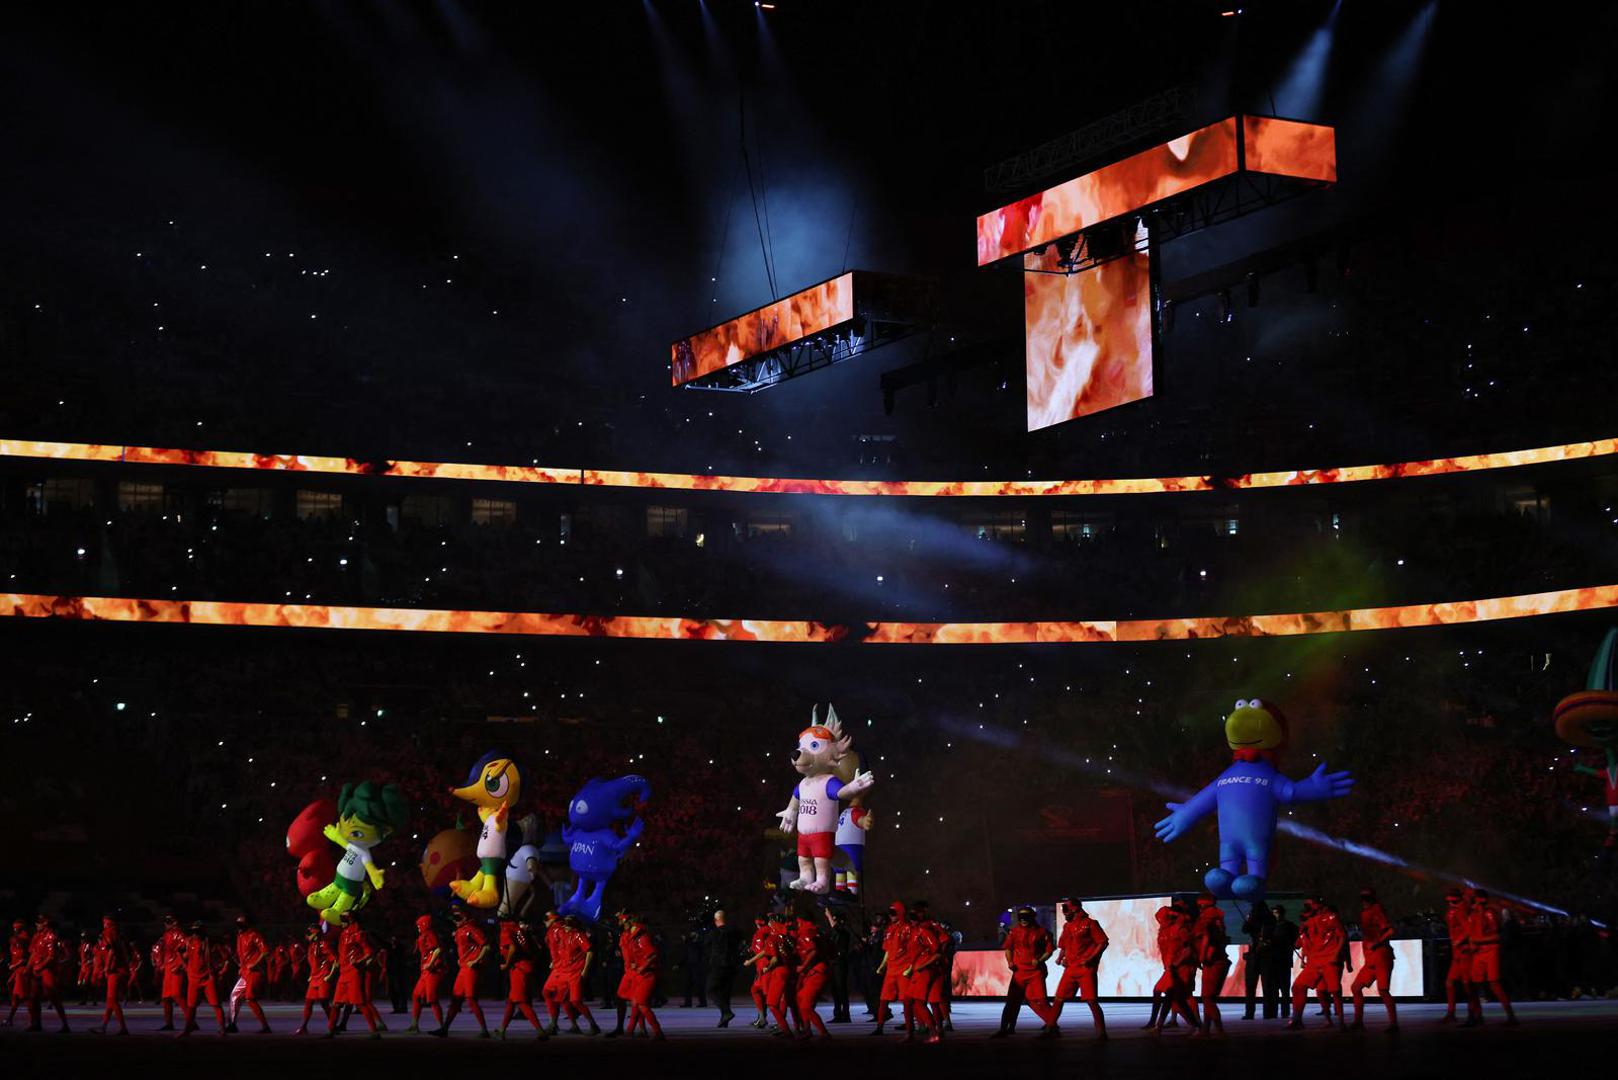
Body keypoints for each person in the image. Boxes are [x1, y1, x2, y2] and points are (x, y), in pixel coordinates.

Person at [991, 905, 1059, 1039]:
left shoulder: (1042, 932)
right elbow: (1008, 948)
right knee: (1011, 1002)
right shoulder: (1015, 932)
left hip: (1035, 972)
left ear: (1032, 918)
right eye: (1021, 918)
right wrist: (1010, 962)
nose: (1023, 920)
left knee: (1040, 1001)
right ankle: (1004, 1028)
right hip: (1019, 972)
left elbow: (1049, 950)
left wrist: (1040, 960)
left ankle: (1052, 1025)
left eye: (1026, 917)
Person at [1051, 897, 1108, 1038]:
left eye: (1066, 909)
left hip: (1085, 969)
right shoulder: (1067, 926)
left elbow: (1103, 942)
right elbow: (1064, 944)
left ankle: (1101, 1032)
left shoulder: (1090, 924)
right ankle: (1050, 1028)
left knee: (1091, 1001)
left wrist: (1090, 959)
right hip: (1070, 969)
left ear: (1075, 909)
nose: (1064, 913)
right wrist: (1060, 958)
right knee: (1058, 999)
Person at [431, 907, 491, 1037]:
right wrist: (461, 959)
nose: (456, 921)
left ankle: (484, 1030)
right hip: (464, 968)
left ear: (466, 917)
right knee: (456, 999)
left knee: (470, 998)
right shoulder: (460, 931)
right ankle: (445, 1028)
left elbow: (486, 946)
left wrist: (475, 960)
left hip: (470, 968)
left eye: (458, 918)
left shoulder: (471, 929)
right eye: (454, 918)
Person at [1466, 890, 1519, 1026]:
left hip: (1490, 951)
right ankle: (1475, 1016)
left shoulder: (1489, 913)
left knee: (1494, 983)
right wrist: (1473, 943)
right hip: (1479, 952)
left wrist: (1477, 940)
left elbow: (1496, 936)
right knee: (1473, 984)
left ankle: (1510, 1016)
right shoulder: (1473, 914)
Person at [1349, 888, 1398, 1031]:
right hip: (1371, 959)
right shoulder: (1366, 912)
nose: (1364, 901)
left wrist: (1376, 943)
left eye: (1366, 898)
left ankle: (1394, 1024)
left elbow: (1390, 930)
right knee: (1356, 987)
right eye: (1363, 898)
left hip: (1381, 956)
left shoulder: (1376, 910)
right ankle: (1358, 1022)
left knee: (1383, 990)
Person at [1288, 899, 1341, 1029]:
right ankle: (1297, 1020)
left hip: (1326, 961)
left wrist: (1338, 957)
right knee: (1299, 987)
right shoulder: (1305, 928)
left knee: (1331, 991)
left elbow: (1340, 937)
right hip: (1314, 963)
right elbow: (1298, 944)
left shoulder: (1325, 920)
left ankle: (1340, 1022)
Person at [900, 900, 948, 1044]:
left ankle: (936, 1031)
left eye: (918, 914)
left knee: (925, 1001)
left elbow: (939, 950)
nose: (914, 918)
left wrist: (925, 965)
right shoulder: (912, 931)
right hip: (918, 970)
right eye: (912, 915)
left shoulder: (927, 929)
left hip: (928, 970)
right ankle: (911, 1033)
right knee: (909, 1001)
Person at [1151, 900, 1201, 1034]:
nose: (1161, 922)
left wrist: (1176, 963)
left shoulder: (1181, 929)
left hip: (1181, 968)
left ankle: (1196, 1025)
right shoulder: (1168, 930)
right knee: (1172, 997)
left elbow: (1188, 949)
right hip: (1172, 968)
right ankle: (1160, 1025)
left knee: (1179, 997)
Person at [496, 919, 546, 1039]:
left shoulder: (506, 931)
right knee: (511, 1002)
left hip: (519, 969)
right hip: (526, 967)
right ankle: (502, 1030)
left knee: (521, 1002)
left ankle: (540, 1031)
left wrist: (507, 964)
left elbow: (512, 948)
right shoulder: (519, 930)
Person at [618, 911, 664, 1039]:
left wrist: (641, 967)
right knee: (635, 1002)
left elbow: (653, 955)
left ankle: (658, 1032)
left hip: (646, 975)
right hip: (639, 974)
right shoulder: (632, 937)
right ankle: (631, 1030)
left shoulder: (641, 938)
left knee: (641, 1003)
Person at [1192, 894, 1230, 1038]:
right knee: (1208, 997)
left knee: (1207, 997)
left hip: (1212, 960)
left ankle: (1219, 1030)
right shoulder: (1217, 917)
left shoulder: (1207, 918)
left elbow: (1207, 937)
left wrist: (1201, 956)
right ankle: (1206, 1029)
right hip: (1217, 959)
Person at [179, 921, 226, 1037]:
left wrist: (220, 969)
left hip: (208, 978)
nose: (195, 934)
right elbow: (183, 954)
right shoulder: (189, 942)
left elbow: (225, 956)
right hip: (194, 979)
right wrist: (184, 965)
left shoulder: (209, 943)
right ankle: (187, 1030)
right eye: (194, 931)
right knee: (191, 1006)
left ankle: (222, 1029)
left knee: (215, 1004)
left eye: (198, 931)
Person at [227, 914, 272, 1034]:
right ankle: (232, 1024)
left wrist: (254, 964)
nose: (239, 927)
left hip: (254, 972)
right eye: (238, 924)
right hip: (246, 972)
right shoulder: (240, 936)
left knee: (250, 998)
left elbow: (265, 951)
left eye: (241, 924)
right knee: (235, 995)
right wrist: (241, 966)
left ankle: (265, 1027)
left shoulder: (254, 935)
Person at [28, 914, 71, 1033]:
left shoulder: (51, 936)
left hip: (47, 970)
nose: (36, 925)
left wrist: (40, 966)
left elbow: (52, 957)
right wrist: (29, 968)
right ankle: (36, 1024)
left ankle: (65, 1025)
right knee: (33, 998)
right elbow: (33, 953)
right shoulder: (37, 936)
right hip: (37, 970)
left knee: (53, 996)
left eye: (39, 922)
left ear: (45, 924)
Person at [1439, 888, 1476, 1023]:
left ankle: (1472, 1014)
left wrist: (1459, 941)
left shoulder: (1461, 910)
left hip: (1464, 951)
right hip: (1458, 953)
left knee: (1467, 984)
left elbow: (1469, 929)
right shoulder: (1454, 909)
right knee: (1450, 983)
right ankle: (1451, 1013)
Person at [90, 916, 132, 1036]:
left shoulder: (108, 933)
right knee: (110, 1001)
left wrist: (107, 967)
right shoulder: (117, 934)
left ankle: (123, 1028)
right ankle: (103, 1026)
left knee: (112, 1000)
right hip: (121, 970)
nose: (103, 923)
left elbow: (111, 951)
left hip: (116, 971)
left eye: (105, 921)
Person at [294, 925, 336, 1035]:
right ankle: (303, 1027)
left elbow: (335, 961)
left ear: (316, 934)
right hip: (314, 977)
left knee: (324, 1002)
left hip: (323, 976)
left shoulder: (324, 944)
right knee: (308, 1002)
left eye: (309, 933)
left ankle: (333, 1025)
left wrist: (330, 976)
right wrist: (311, 975)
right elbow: (313, 963)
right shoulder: (311, 946)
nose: (307, 936)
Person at [794, 914, 831, 1039]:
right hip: (814, 972)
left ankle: (824, 1033)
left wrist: (803, 966)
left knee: (806, 1005)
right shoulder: (814, 931)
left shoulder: (805, 932)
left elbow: (813, 950)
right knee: (800, 998)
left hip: (816, 972)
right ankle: (807, 1029)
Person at [408, 914, 446, 1034]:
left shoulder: (429, 934)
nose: (418, 927)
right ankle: (414, 1025)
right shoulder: (424, 935)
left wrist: (430, 963)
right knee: (416, 995)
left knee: (432, 999)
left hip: (432, 971)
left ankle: (442, 1027)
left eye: (419, 925)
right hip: (426, 971)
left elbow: (438, 949)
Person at [705, 908, 740, 1028]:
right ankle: (724, 1020)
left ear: (716, 920)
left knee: (711, 989)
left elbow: (706, 944)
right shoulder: (734, 932)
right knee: (725, 992)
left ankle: (726, 1012)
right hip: (731, 965)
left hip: (718, 965)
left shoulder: (714, 933)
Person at [1240, 900, 1273, 1020]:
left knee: (1264, 986)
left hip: (1264, 955)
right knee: (1256, 986)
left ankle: (1257, 1013)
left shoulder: (1268, 920)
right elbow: (1244, 929)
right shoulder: (1257, 919)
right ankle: (1260, 1013)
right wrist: (1249, 920)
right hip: (1256, 954)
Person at [154, 913, 186, 1031]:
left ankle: (191, 1021)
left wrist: (179, 966)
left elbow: (184, 952)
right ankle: (169, 1023)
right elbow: (161, 951)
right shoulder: (166, 936)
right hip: (168, 968)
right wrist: (161, 964)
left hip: (175, 969)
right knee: (166, 998)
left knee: (177, 995)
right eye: (166, 921)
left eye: (169, 921)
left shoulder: (180, 934)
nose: (166, 924)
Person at [1268, 905, 1297, 1019]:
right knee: (1273, 988)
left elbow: (1296, 940)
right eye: (1273, 912)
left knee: (1285, 988)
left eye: (1277, 912)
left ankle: (1285, 1012)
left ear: (1282, 913)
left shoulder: (1289, 926)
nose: (1275, 915)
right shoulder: (1270, 926)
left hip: (1284, 959)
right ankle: (1273, 1012)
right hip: (1272, 960)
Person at [825, 907, 854, 1024]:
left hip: (840, 963)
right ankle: (838, 1014)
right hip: (833, 963)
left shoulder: (844, 932)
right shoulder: (834, 932)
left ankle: (845, 1015)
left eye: (836, 920)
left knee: (841, 989)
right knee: (835, 990)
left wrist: (829, 916)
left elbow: (836, 929)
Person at [4, 919, 31, 1028]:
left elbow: (24, 959)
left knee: (19, 996)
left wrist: (14, 965)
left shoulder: (23, 940)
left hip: (21, 970)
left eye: (17, 928)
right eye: (14, 928)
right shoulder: (14, 941)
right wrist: (11, 963)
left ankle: (12, 1019)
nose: (15, 930)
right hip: (16, 970)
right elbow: (14, 955)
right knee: (10, 984)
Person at [746, 915, 772, 1029]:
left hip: (765, 966)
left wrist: (751, 960)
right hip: (762, 966)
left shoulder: (763, 932)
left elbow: (764, 950)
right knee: (757, 991)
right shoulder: (764, 931)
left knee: (769, 996)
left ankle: (764, 1019)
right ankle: (762, 1018)